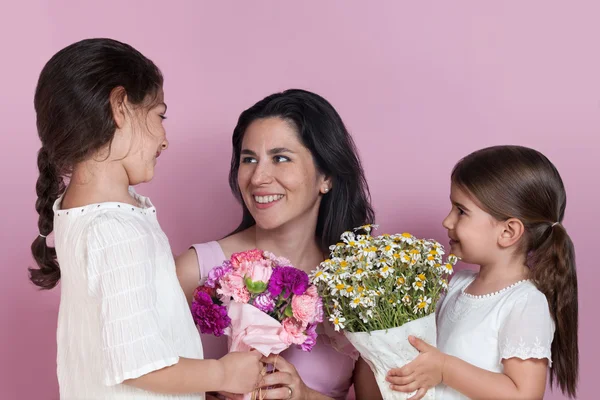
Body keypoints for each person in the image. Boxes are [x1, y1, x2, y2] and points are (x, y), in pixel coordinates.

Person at [29, 38, 263, 399]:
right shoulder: (116, 230)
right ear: (120, 106)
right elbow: (139, 365)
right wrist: (222, 374)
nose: (164, 139)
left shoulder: (80, 214)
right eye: (159, 115)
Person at [176, 89, 382, 400]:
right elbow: (133, 379)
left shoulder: (360, 286)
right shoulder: (196, 270)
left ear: (326, 175)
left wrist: (305, 396)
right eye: (249, 159)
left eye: (280, 158)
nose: (258, 177)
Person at [387, 145, 579, 399]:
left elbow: (524, 394)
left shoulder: (524, 303)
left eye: (461, 211)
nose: (447, 221)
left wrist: (445, 369)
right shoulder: (457, 284)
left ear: (508, 232)